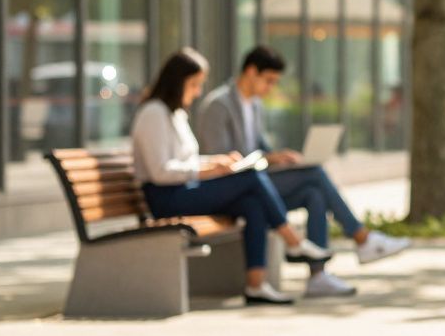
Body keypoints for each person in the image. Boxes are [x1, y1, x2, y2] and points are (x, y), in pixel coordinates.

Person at [194, 45, 410, 299]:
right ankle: (362, 237)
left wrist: (281, 158)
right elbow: (220, 161)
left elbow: (260, 148)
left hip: (258, 184)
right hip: (233, 190)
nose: (271, 88)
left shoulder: (254, 106)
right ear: (251, 72)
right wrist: (268, 158)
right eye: (269, 81)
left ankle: (318, 277)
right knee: (315, 174)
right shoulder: (218, 106)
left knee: (313, 194)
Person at [132, 48, 333, 305]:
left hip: (183, 189)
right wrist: (208, 169)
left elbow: (186, 162)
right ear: (177, 81)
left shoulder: (176, 114)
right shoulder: (154, 113)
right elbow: (160, 172)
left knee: (252, 203)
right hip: (165, 197)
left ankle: (256, 285)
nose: (198, 92)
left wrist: (215, 162)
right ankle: (292, 241)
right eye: (194, 84)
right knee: (251, 178)